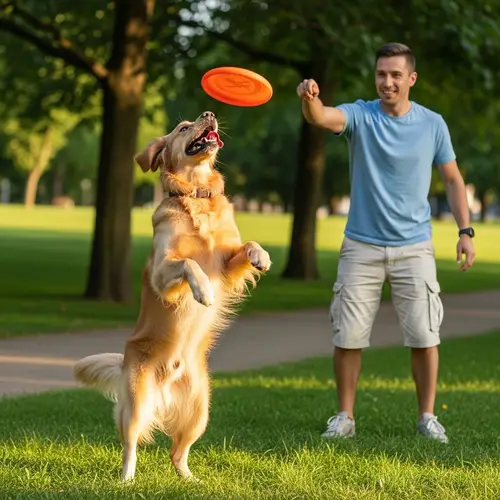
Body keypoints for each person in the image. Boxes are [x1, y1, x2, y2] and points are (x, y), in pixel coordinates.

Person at [296, 42, 475, 443]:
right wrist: (310, 98)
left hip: (415, 247)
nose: (387, 82)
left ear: (411, 79)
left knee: (426, 336)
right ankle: (345, 417)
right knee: (347, 336)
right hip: (361, 246)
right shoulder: (361, 116)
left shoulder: (433, 124)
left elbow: (452, 179)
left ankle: (427, 417)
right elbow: (322, 117)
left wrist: (465, 232)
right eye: (381, 74)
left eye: (396, 75)